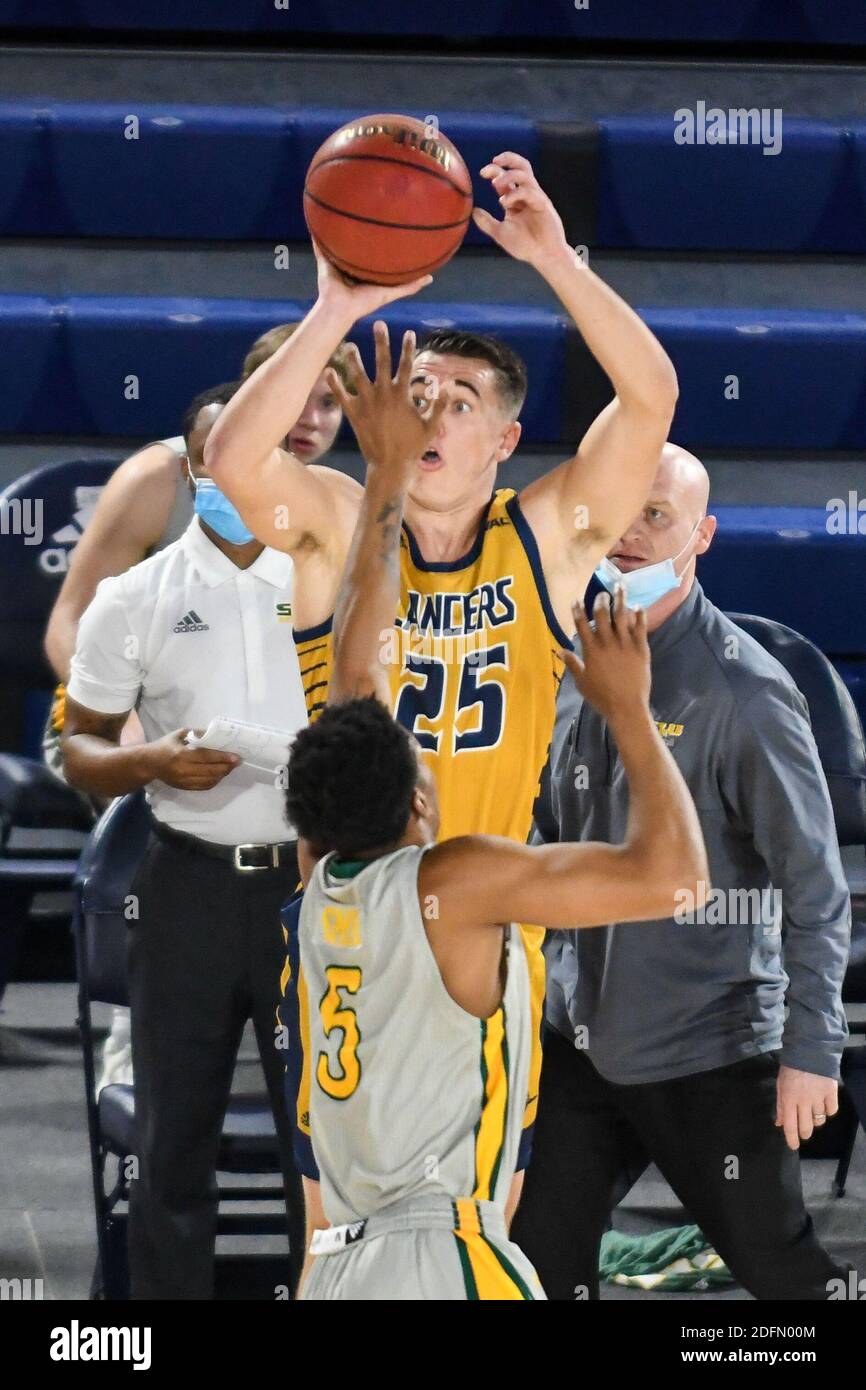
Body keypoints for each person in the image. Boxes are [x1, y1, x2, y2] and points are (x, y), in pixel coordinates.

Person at [205, 151, 679, 1189]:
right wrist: (335, 304)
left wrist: (554, 258)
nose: (431, 406)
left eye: (459, 397)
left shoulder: (546, 536)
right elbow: (233, 461)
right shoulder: (340, 517)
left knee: (477, 1202)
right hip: (350, 900)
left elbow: (649, 397)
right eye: (417, 388)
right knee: (336, 1212)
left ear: (505, 438)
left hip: (484, 904)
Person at [279, 373, 709, 1299]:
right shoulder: (458, 881)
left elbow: (352, 667)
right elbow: (676, 880)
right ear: (420, 807)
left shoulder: (314, 889)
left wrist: (385, 473)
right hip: (445, 1254)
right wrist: (631, 715)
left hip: (336, 1269)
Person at [512, 443, 853, 1301]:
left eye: (656, 516)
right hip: (580, 1036)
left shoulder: (746, 693)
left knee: (785, 1284)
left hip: (708, 1045)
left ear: (699, 537)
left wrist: (812, 1049)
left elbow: (814, 886)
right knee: (532, 1266)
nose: (630, 534)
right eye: (621, 509)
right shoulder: (562, 654)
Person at [44, 330, 348, 1090]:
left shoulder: (330, 506)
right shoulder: (160, 475)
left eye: (329, 405)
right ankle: (134, 1051)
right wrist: (138, 736)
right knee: (153, 843)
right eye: (295, 398)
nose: (309, 419)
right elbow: (69, 618)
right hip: (121, 696)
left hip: (275, 763)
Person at [61, 382, 309, 1300]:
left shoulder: (322, 575)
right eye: (214, 459)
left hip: (308, 890)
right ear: (194, 467)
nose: (233, 474)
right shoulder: (134, 597)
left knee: (317, 1150)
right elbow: (78, 745)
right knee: (172, 1144)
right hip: (185, 890)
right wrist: (149, 761)